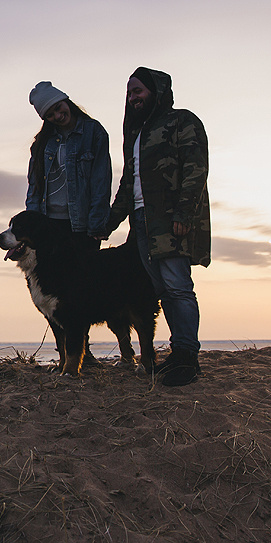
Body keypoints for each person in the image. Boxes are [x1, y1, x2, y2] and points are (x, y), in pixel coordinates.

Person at [103, 67, 210, 386]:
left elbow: (196, 170)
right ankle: (177, 356)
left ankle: (188, 358)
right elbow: (128, 183)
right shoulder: (135, 133)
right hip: (141, 223)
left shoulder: (182, 121)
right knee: (161, 291)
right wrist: (108, 223)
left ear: (156, 91)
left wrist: (183, 215)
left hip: (170, 219)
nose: (133, 98)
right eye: (129, 92)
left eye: (138, 91)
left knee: (178, 287)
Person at [25, 81, 113, 253]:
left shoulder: (94, 132)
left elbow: (101, 181)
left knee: (83, 278)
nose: (58, 116)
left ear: (66, 101)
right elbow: (34, 187)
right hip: (47, 224)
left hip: (82, 225)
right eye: (50, 115)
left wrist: (97, 223)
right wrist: (32, 223)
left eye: (58, 107)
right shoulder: (41, 143)